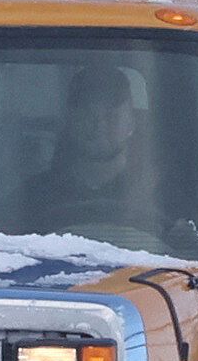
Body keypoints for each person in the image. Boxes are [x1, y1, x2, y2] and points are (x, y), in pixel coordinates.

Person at [39, 65, 157, 240]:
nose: (99, 126)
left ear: (132, 123)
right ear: (70, 121)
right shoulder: (34, 197)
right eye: (88, 114)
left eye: (111, 116)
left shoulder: (160, 195)